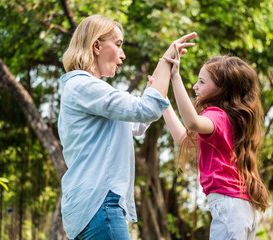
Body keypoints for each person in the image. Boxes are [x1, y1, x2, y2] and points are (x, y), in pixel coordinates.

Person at [57, 15, 196, 239]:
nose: (123, 55)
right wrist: (165, 62)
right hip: (98, 202)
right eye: (118, 44)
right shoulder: (83, 85)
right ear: (97, 45)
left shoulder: (86, 89)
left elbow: (138, 123)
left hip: (91, 205)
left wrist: (157, 88)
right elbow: (147, 109)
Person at [160, 45, 269, 239]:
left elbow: (192, 122)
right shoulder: (227, 119)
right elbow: (183, 138)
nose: (195, 86)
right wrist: (163, 102)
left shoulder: (216, 116)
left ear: (222, 90)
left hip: (230, 205)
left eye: (201, 82)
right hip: (241, 207)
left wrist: (175, 77)